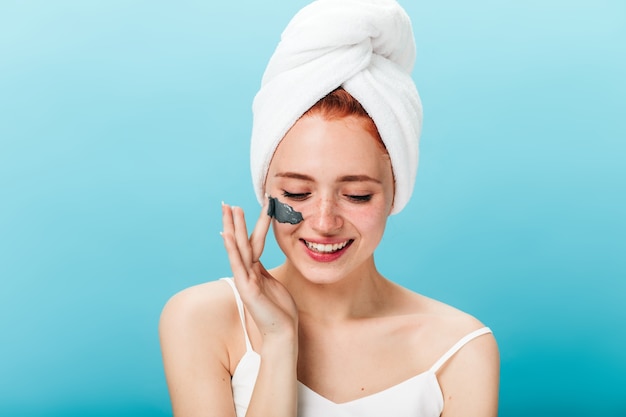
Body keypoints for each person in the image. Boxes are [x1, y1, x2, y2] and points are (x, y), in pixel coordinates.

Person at [159, 1, 500, 416]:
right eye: (298, 194)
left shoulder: (458, 348)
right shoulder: (202, 318)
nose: (323, 223)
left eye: (357, 195)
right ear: (265, 189)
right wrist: (280, 340)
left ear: (396, 192)